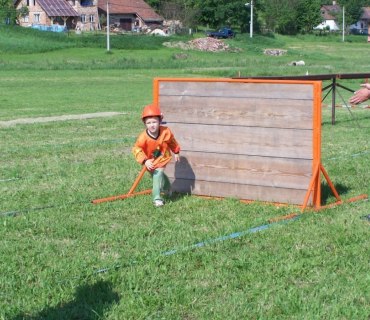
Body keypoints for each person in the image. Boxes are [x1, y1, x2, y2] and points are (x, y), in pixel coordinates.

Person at [132, 104, 180, 207]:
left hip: (162, 156)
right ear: (145, 123)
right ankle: (167, 187)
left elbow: (172, 142)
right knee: (156, 175)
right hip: (149, 159)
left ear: (160, 121)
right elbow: (137, 149)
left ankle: (157, 199)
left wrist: (176, 151)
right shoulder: (143, 137)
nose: (152, 125)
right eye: (148, 123)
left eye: (154, 122)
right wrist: (145, 161)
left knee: (157, 175)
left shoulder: (165, 132)